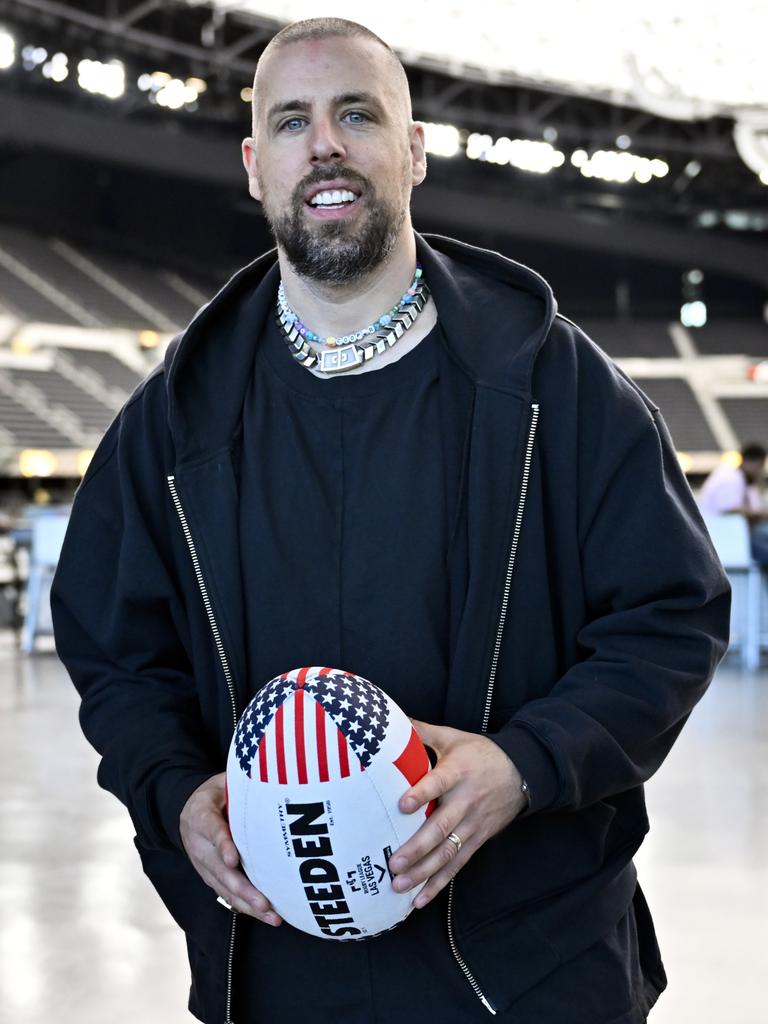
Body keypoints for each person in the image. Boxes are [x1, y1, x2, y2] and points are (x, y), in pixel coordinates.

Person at [51, 17, 730, 1024]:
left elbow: (669, 616)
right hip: (277, 975)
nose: (323, 144)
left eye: (357, 113)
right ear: (254, 165)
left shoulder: (557, 385)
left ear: (413, 150)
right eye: (291, 122)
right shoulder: (176, 417)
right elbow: (116, 653)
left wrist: (524, 765)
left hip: (526, 970)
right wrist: (173, 790)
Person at [699, 443, 768, 565]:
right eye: (760, 466)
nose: (761, 471)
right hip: (721, 536)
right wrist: (760, 514)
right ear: (750, 462)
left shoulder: (746, 482)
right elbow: (731, 509)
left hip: (735, 535)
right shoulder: (729, 478)